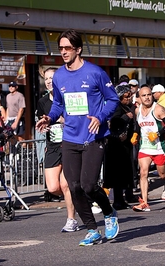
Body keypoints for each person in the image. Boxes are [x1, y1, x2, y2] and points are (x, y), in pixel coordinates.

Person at [36, 29, 119, 246]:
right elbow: (58, 105)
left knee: (89, 185)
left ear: (78, 49)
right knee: (73, 187)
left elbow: (113, 100)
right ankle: (92, 229)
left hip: (94, 136)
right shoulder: (60, 75)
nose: (63, 52)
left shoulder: (95, 73)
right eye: (60, 48)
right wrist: (49, 118)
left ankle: (109, 213)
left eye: (67, 48)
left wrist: (100, 117)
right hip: (70, 138)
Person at [36, 67, 78, 232]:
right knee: (53, 187)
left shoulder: (68, 98)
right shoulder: (43, 102)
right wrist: (43, 126)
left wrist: (63, 120)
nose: (48, 81)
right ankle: (78, 196)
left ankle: (71, 219)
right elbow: (41, 119)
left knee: (65, 184)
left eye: (51, 78)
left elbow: (77, 119)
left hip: (69, 144)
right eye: (46, 78)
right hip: (52, 146)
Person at [131, 85, 165, 211]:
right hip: (145, 147)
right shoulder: (138, 111)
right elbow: (138, 125)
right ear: (139, 98)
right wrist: (136, 134)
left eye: (149, 94)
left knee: (163, 174)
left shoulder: (158, 109)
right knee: (143, 172)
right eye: (144, 96)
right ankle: (144, 202)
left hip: (159, 146)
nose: (147, 98)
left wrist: (158, 133)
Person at [103, 84, 135, 210]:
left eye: (130, 95)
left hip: (124, 144)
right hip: (115, 145)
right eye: (127, 96)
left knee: (122, 175)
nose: (129, 98)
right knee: (117, 174)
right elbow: (113, 122)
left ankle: (121, 199)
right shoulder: (116, 107)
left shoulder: (125, 106)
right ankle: (117, 200)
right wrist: (126, 117)